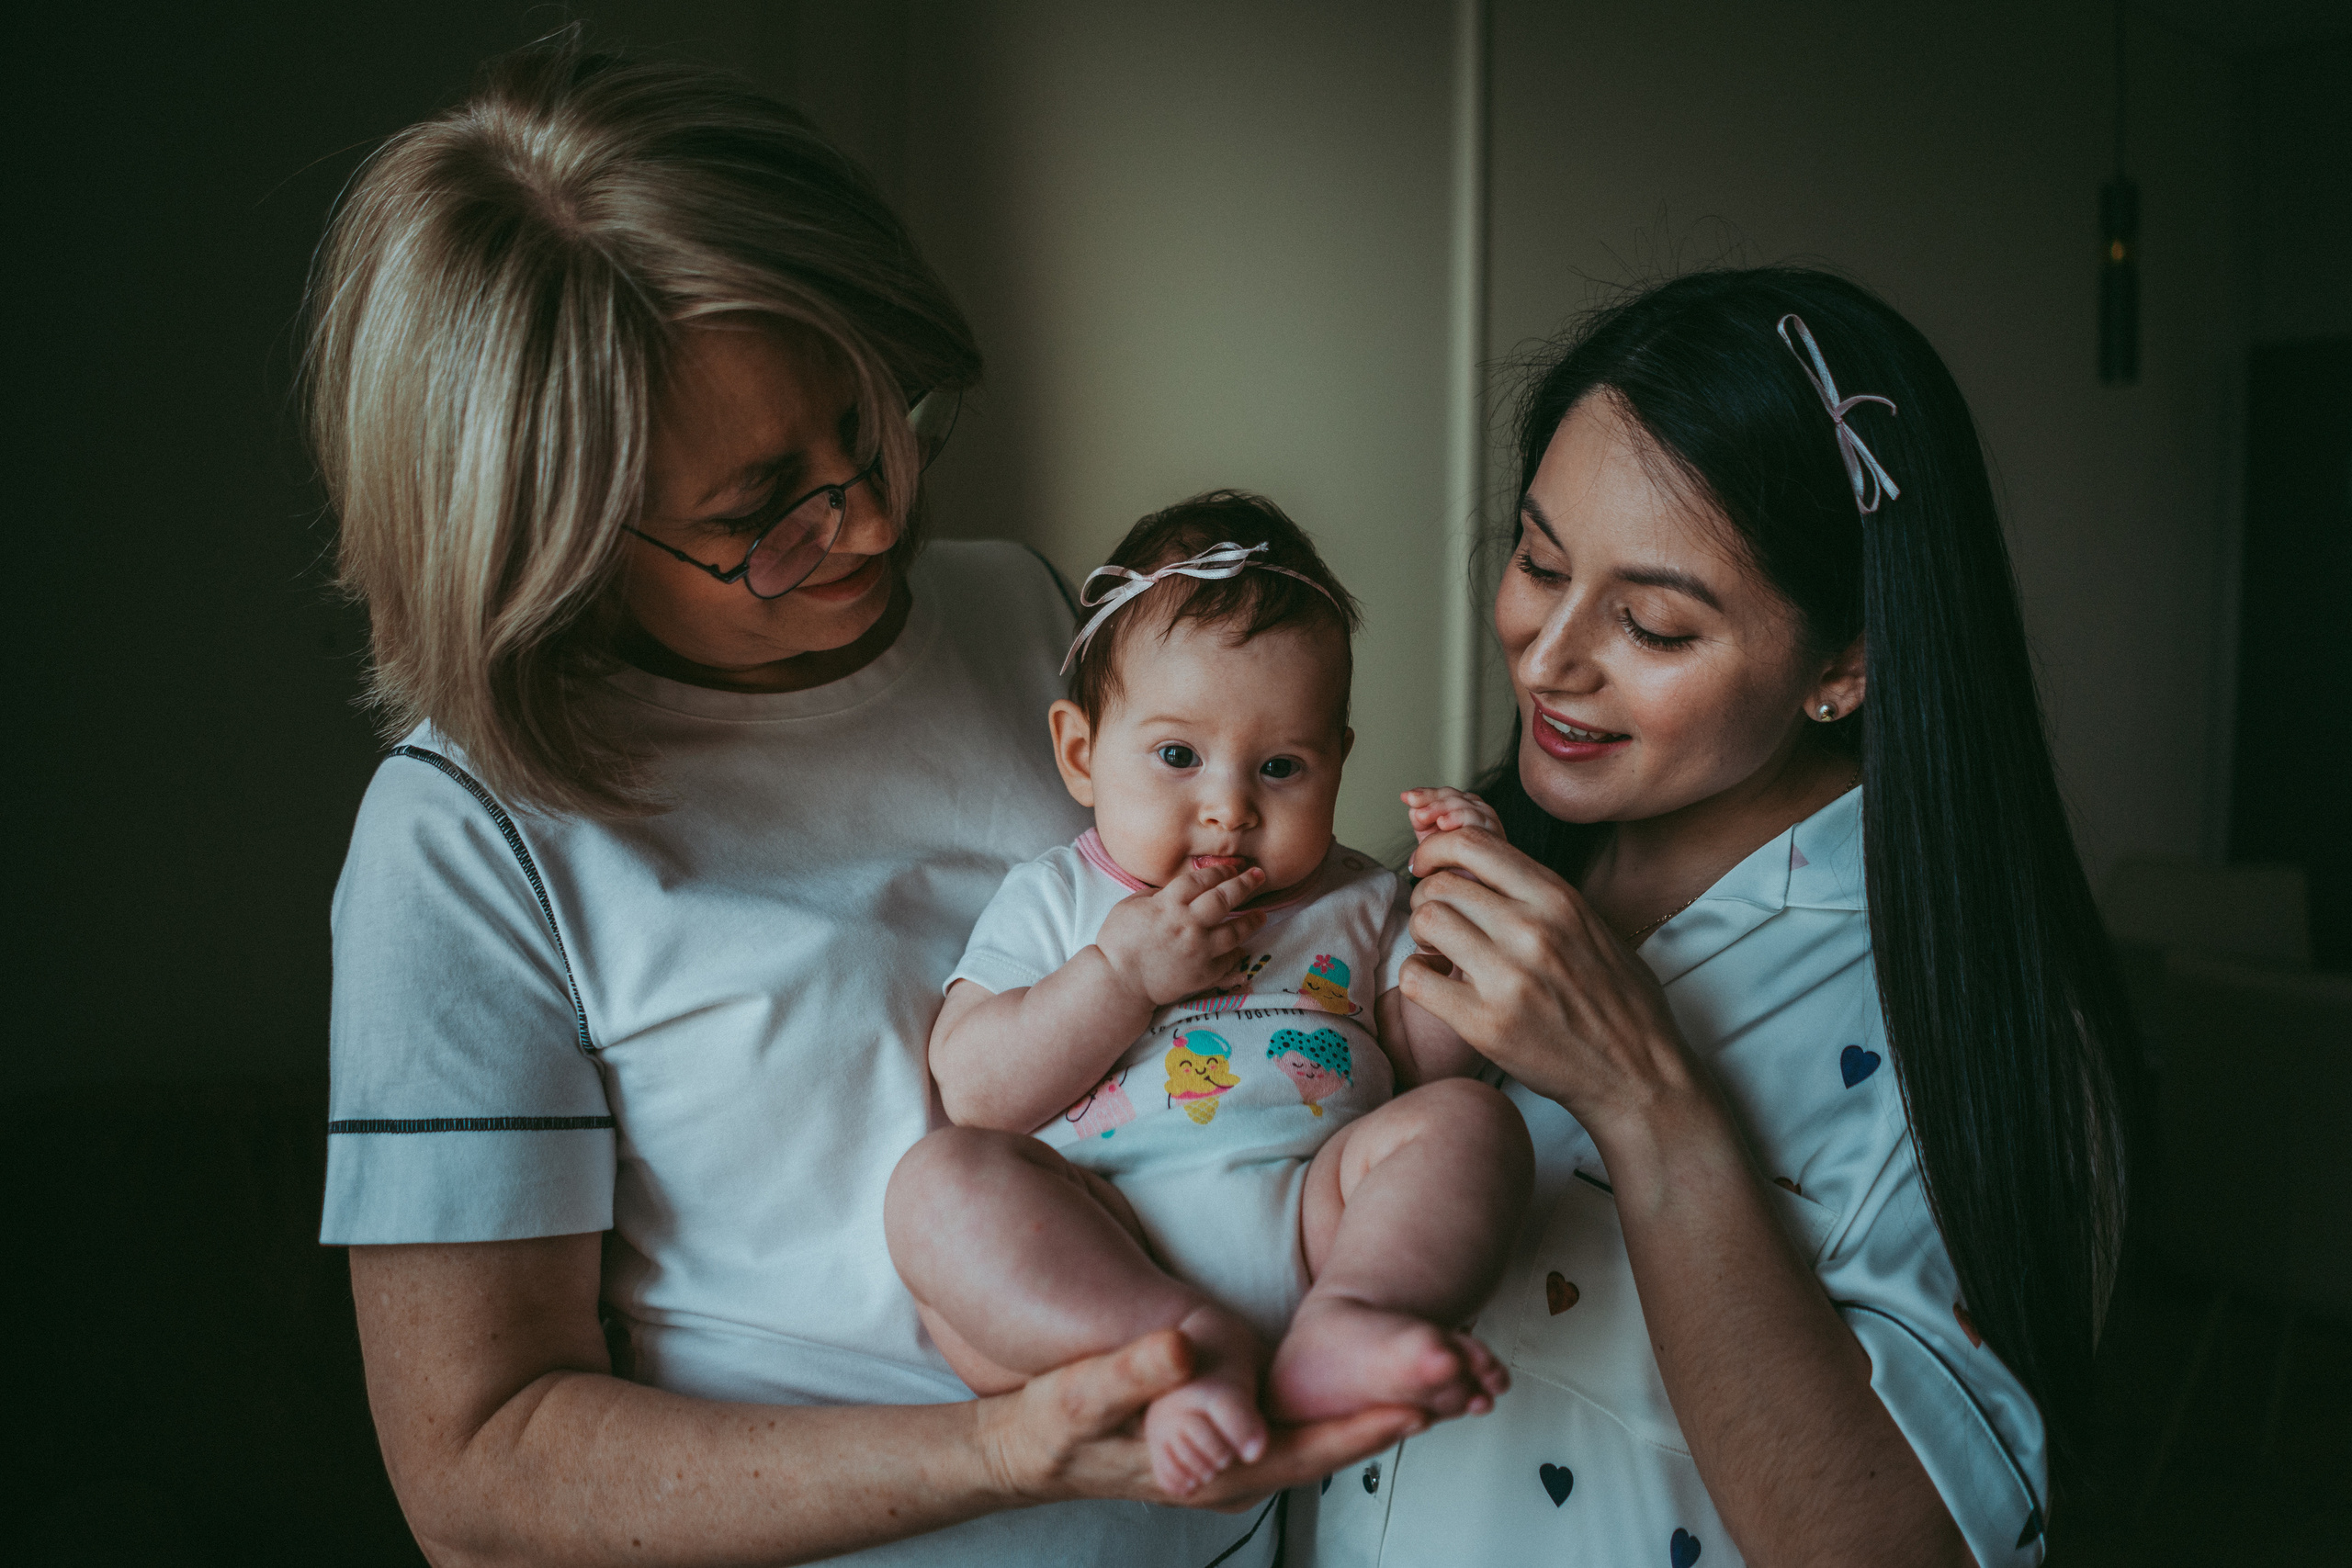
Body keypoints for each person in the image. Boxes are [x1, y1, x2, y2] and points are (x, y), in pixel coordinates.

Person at [311, 36, 1421, 1568]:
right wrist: (1002, 1447)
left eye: (879, 418)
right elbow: (480, 1476)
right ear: (544, 542)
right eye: (767, 513)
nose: (880, 515)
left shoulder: (1039, 616)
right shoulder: (465, 840)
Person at [1307, 268, 2134, 1568]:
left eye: (1651, 620)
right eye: (1537, 559)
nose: (1548, 655)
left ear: (1844, 662)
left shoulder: (1972, 1015)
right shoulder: (1441, 879)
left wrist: (1647, 1094)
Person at [884, 494, 1531, 1498]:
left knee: (1470, 1119)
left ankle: (1353, 1318)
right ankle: (1172, 1351)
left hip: (1320, 1224)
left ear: (1337, 764)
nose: (1229, 807)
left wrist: (1459, 899)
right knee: (938, 1186)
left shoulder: (1359, 897)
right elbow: (976, 1090)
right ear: (1081, 753)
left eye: (1280, 767)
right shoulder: (1061, 897)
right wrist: (1121, 977)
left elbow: (1430, 1063)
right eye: (1178, 756)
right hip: (1106, 1241)